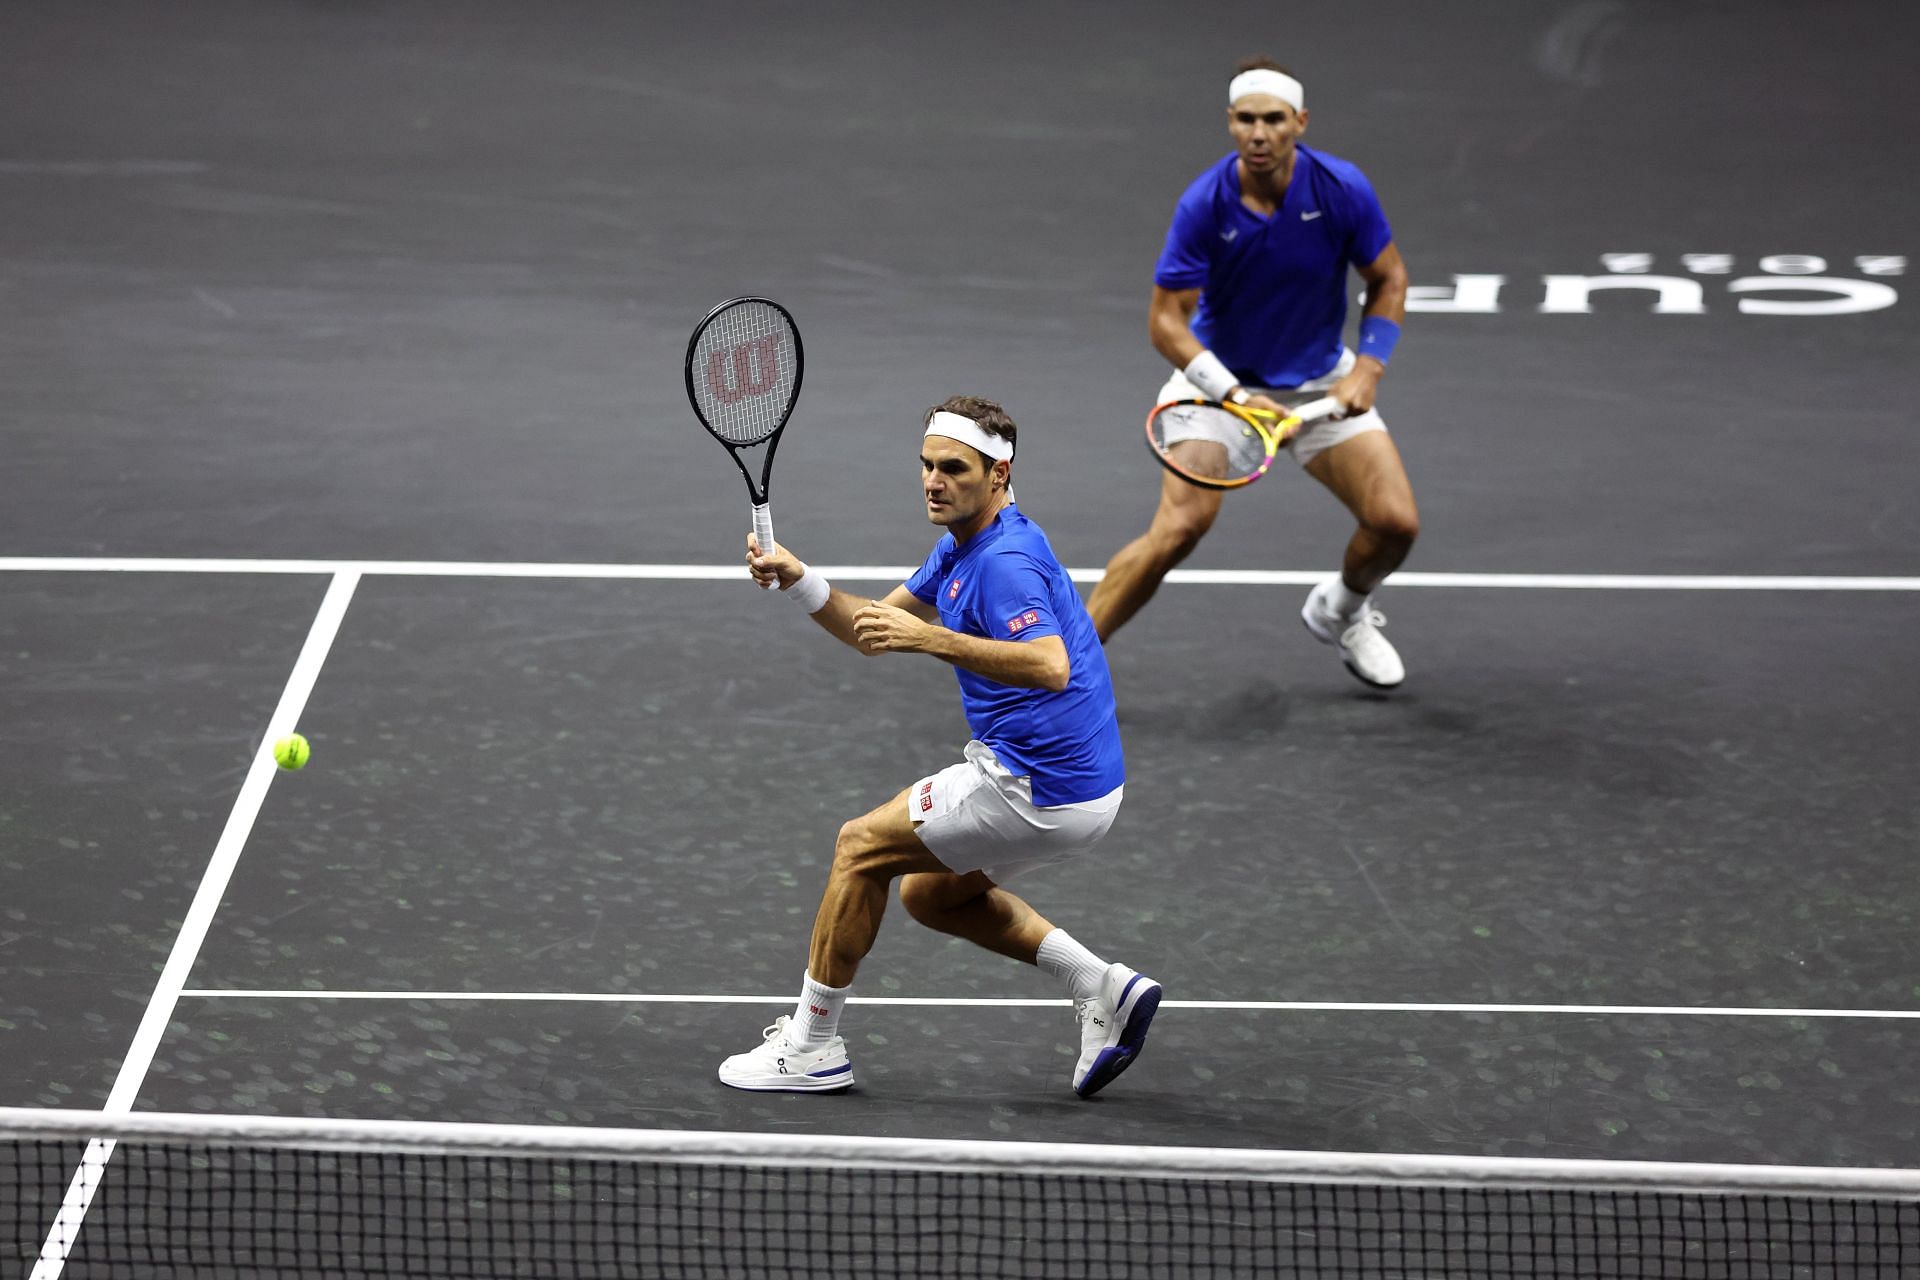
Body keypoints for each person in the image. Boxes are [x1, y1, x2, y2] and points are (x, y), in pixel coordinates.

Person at [718, 395, 1160, 1098]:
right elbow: (872, 629)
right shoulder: (966, 541)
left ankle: (811, 1047)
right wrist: (801, 582)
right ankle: (1102, 987)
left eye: (953, 468)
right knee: (931, 895)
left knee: (859, 848)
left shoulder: (1003, 562)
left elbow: (1051, 665)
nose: (933, 481)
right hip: (1085, 788)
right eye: (926, 466)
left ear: (998, 474)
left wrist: (934, 639)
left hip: (1034, 786)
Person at [1085, 56, 1418, 689]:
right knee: (1180, 528)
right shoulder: (1205, 205)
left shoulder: (1342, 189)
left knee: (1395, 524)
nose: (1259, 133)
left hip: (1319, 383)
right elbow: (1166, 322)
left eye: (1273, 119)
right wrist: (1235, 395)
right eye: (1245, 120)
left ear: (1300, 122)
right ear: (1230, 124)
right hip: (1218, 386)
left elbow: (1388, 278)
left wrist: (1368, 368)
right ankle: (1060, 669)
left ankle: (1340, 612)